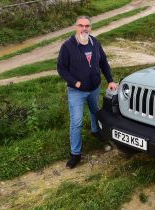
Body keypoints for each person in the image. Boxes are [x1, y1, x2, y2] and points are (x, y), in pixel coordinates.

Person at [57, 15, 117, 169]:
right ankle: (75, 154)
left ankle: (95, 131)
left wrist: (110, 80)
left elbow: (103, 62)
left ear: (91, 27)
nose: (84, 28)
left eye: (87, 26)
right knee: (76, 122)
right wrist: (74, 82)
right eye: (81, 25)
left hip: (94, 88)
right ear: (76, 27)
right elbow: (61, 68)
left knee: (95, 111)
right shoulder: (68, 46)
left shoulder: (95, 42)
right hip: (76, 91)